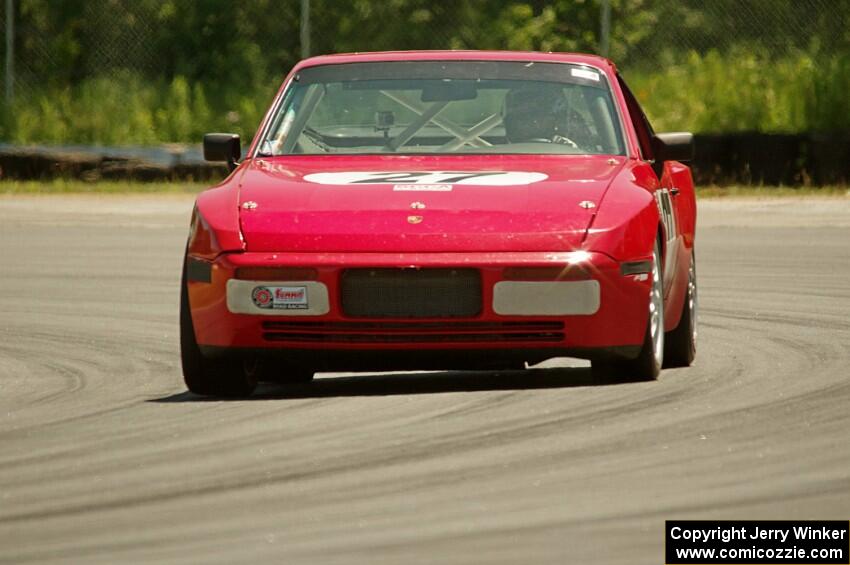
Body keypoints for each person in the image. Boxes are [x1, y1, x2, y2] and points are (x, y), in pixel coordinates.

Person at [502, 83, 592, 147]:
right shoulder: (494, 155)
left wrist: (573, 149)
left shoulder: (572, 126)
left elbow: (590, 154)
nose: (534, 121)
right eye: (523, 117)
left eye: (539, 114)